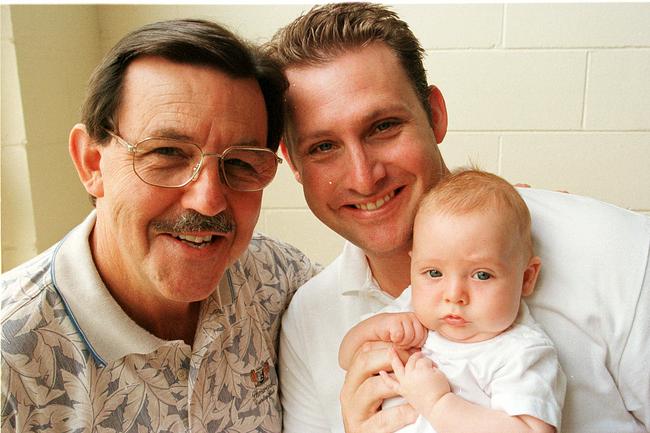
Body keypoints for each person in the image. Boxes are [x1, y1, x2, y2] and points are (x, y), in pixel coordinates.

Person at [265, 3, 650, 433]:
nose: (363, 176)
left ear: (436, 116)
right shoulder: (306, 322)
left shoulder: (616, 250)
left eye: (384, 126)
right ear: (293, 163)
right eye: (322, 147)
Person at [0, 19, 319, 432]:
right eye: (167, 153)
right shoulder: (12, 358)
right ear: (91, 163)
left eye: (240, 163)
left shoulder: (280, 283)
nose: (208, 200)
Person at [339, 169, 565, 433]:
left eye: (482, 275)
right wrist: (375, 328)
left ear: (526, 279)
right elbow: (347, 359)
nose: (453, 294)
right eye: (434, 273)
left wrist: (437, 403)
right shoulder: (412, 312)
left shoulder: (519, 352)